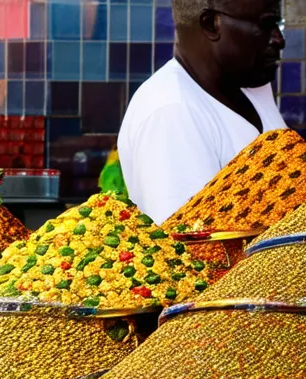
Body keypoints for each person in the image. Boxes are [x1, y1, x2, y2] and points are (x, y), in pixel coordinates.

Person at [117, 0, 286, 222]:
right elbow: (195, 244)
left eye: (279, 25)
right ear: (211, 24)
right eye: (266, 24)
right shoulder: (171, 112)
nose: (279, 40)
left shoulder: (252, 87)